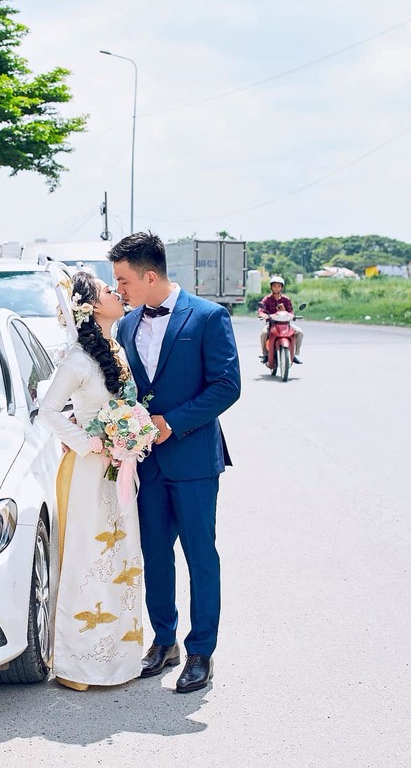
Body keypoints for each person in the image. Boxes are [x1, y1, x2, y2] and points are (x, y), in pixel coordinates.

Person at [110, 231, 241, 694]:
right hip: (146, 464)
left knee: (200, 557)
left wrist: (174, 423)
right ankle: (164, 641)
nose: (118, 290)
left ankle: (201, 650)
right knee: (155, 557)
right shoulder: (126, 326)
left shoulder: (208, 317)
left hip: (194, 461)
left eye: (123, 281)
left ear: (149, 276)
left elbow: (227, 385)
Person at [36, 271, 145, 691]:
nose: (117, 292)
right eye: (107, 290)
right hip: (88, 471)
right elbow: (48, 411)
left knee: (120, 561)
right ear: (93, 306)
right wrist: (88, 443)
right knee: (89, 560)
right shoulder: (78, 359)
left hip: (119, 469)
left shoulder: (116, 349)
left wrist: (130, 435)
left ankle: (117, 660)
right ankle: (79, 666)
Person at [257, 275, 303, 364]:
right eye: (274, 286)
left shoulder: (286, 299)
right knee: (264, 333)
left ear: (281, 287)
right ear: (271, 287)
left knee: (299, 332)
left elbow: (291, 312)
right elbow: (261, 311)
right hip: (272, 324)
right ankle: (265, 354)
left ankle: (295, 354)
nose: (276, 288)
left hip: (285, 325)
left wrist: (290, 314)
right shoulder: (267, 299)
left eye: (278, 286)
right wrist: (263, 315)